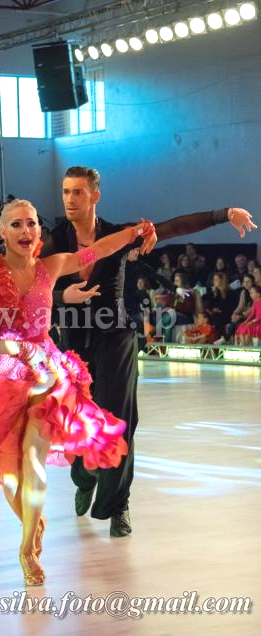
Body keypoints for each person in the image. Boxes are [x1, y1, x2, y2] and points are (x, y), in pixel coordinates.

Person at [41, 165, 256, 538]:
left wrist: (224, 214)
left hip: (117, 336)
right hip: (74, 340)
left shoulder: (119, 234)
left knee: (119, 419)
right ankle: (84, 475)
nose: (69, 199)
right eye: (65, 191)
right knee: (78, 421)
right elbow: (33, 286)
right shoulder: (54, 240)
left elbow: (174, 227)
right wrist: (63, 296)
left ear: (95, 196)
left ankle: (117, 506)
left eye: (78, 192)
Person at [0, 199, 155, 586]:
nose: (26, 230)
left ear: (39, 231)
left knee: (33, 458)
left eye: (31, 223)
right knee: (9, 475)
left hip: (48, 374)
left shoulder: (52, 266)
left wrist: (134, 232)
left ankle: (26, 549)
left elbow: (99, 250)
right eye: (16, 224)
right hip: (8, 377)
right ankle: (33, 522)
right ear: (2, 232)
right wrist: (14, 347)